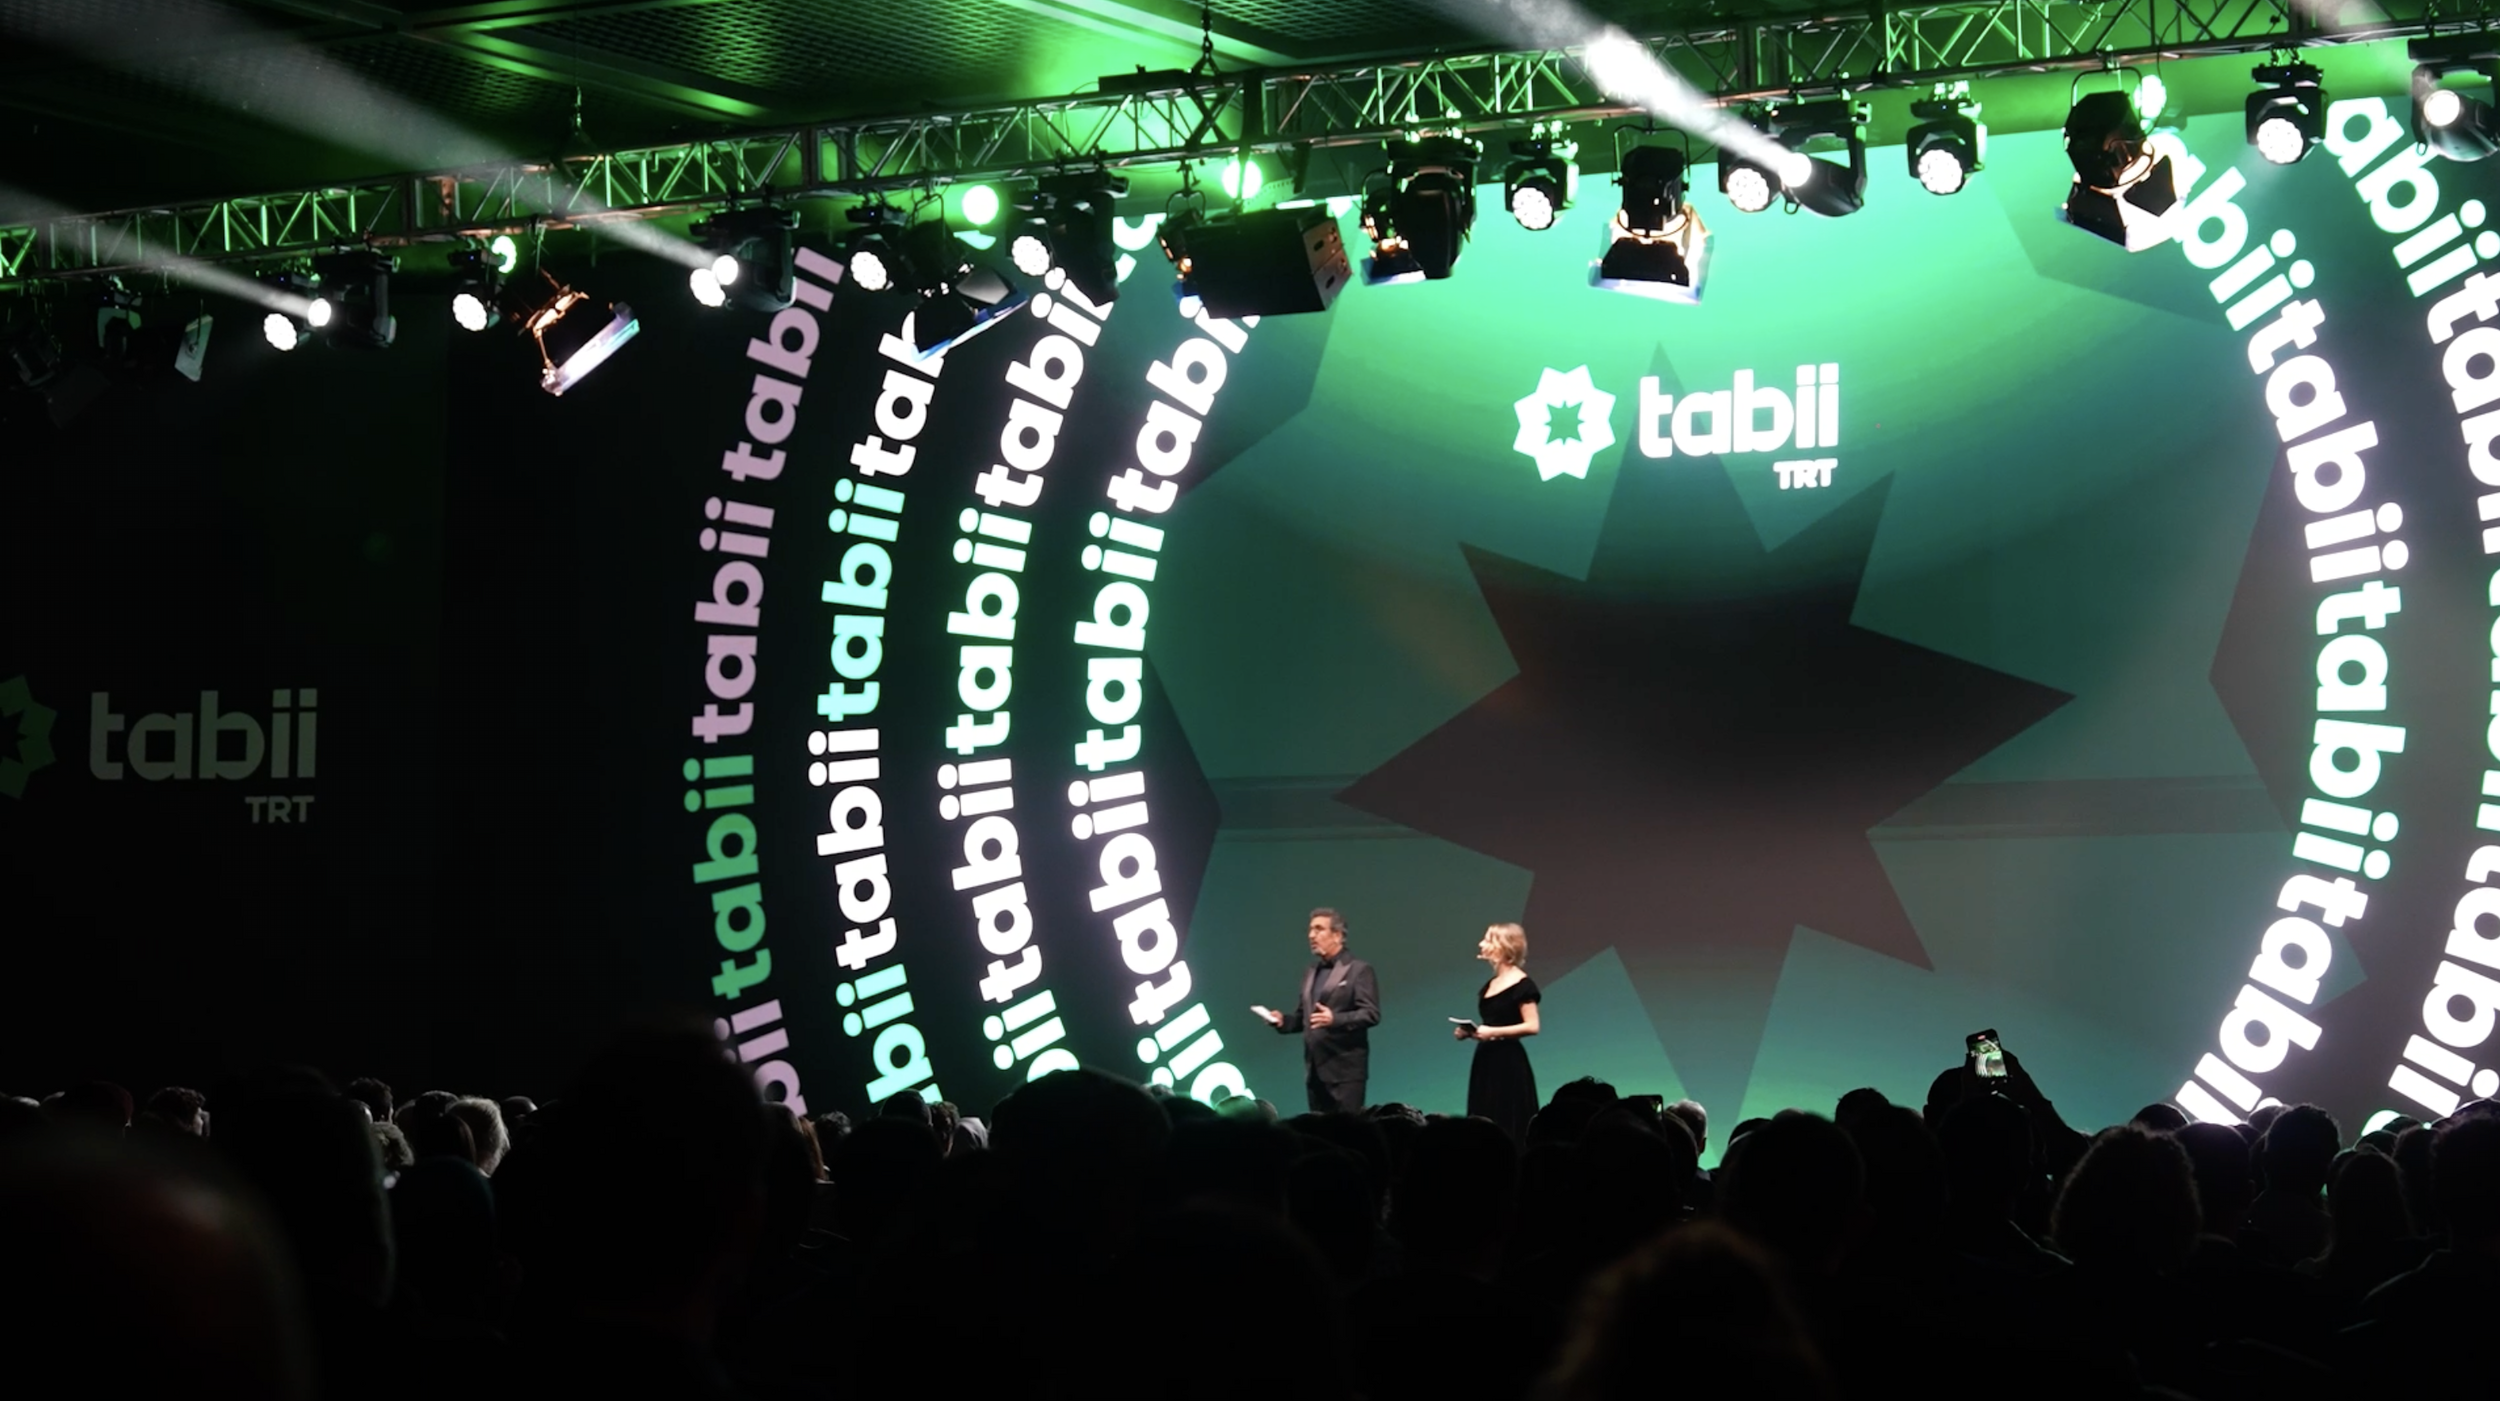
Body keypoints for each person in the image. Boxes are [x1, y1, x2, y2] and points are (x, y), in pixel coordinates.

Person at [1253, 907, 1380, 1113]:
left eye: (1319, 929)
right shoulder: (1311, 971)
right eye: (1311, 930)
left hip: (1345, 1072)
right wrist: (1283, 1021)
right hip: (1315, 1071)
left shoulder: (1359, 970)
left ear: (1337, 935)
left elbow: (1371, 1014)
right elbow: (1304, 1017)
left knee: (1347, 1134)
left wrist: (1335, 1019)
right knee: (1320, 1134)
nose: (1312, 935)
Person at [1455, 921, 1540, 1149]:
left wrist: (1494, 1032)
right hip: (1486, 1058)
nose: (1481, 944)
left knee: (1506, 1116)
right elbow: (1491, 1023)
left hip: (1508, 1061)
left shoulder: (1522, 984)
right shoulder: (1490, 984)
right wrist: (1469, 1033)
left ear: (1504, 946)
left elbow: (1532, 1025)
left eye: (1488, 940)